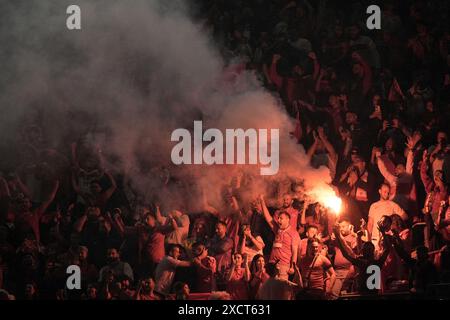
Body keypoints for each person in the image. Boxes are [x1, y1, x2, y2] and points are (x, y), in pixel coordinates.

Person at [260, 194, 299, 280]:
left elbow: (295, 251)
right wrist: (262, 201)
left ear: (288, 219)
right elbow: (268, 218)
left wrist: (292, 266)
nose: (278, 220)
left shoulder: (293, 233)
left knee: (281, 289)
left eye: (281, 218)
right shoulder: (277, 229)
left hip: (283, 266)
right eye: (278, 218)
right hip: (272, 264)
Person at [367, 183, 408, 250]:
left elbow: (405, 216)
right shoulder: (373, 206)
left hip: (388, 240)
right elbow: (370, 223)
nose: (387, 194)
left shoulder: (392, 205)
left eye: (388, 192)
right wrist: (368, 240)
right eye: (385, 192)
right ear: (380, 191)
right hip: (375, 239)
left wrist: (394, 221)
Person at [328, 219, 357, 299]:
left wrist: (338, 235)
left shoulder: (354, 237)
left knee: (346, 295)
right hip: (337, 272)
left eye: (343, 226)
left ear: (349, 227)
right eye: (340, 227)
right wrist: (332, 239)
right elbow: (330, 250)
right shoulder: (337, 238)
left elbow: (351, 249)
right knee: (333, 294)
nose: (341, 229)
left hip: (348, 272)